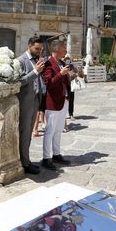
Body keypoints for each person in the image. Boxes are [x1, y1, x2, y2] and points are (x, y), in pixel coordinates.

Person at [40, 39, 71, 170]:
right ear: (57, 49)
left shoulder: (61, 62)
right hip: (52, 102)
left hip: (63, 100)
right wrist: (61, 74)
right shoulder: (48, 64)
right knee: (50, 130)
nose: (65, 50)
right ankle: (46, 158)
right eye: (64, 48)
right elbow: (49, 83)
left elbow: (62, 80)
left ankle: (56, 154)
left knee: (58, 130)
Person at [16, 36, 45, 175]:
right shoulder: (21, 61)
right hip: (25, 102)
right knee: (25, 132)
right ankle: (25, 163)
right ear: (29, 46)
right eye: (37, 48)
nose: (39, 51)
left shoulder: (37, 60)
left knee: (28, 134)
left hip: (35, 101)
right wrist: (35, 72)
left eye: (41, 49)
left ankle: (26, 159)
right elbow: (19, 82)